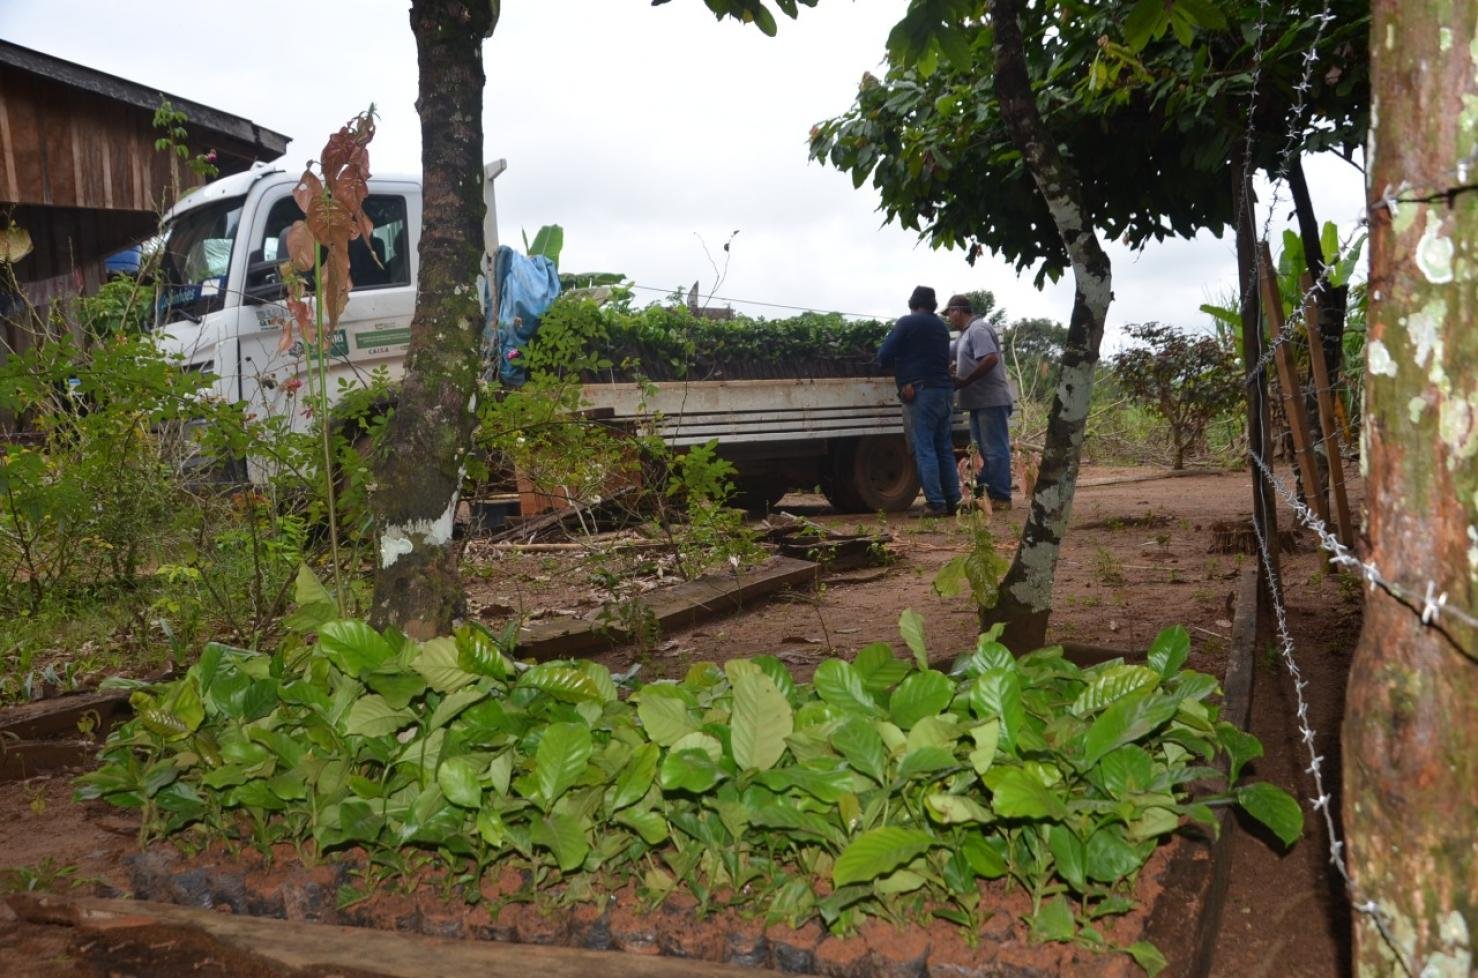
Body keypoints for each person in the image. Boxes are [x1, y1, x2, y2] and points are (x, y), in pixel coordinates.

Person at [876, 286, 961, 516]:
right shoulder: (941, 328)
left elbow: (884, 356)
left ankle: (935, 503)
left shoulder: (907, 323)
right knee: (944, 448)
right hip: (944, 391)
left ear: (912, 302)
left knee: (925, 448)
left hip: (922, 392)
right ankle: (954, 501)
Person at [945, 294, 1014, 511]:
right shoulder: (965, 335)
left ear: (958, 310)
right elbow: (948, 353)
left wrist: (967, 380)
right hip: (977, 401)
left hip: (989, 400)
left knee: (994, 449)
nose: (949, 318)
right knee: (980, 451)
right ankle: (987, 495)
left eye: (949, 313)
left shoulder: (978, 329)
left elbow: (991, 358)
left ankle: (1001, 497)